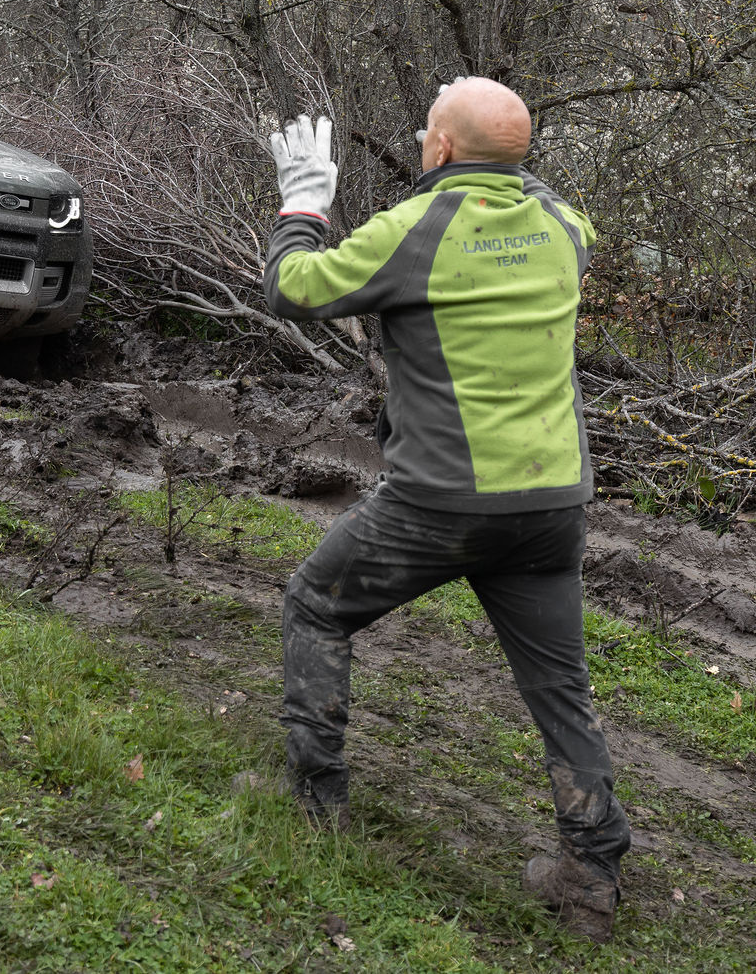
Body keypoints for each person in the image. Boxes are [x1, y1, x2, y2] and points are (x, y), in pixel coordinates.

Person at [263, 78, 631, 942]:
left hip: (438, 502)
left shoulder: (414, 231)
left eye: (429, 129)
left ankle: (316, 801)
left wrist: (303, 203)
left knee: (317, 604)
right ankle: (593, 873)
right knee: (560, 688)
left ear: (438, 152)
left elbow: (295, 289)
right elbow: (532, 197)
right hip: (549, 505)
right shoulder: (564, 230)